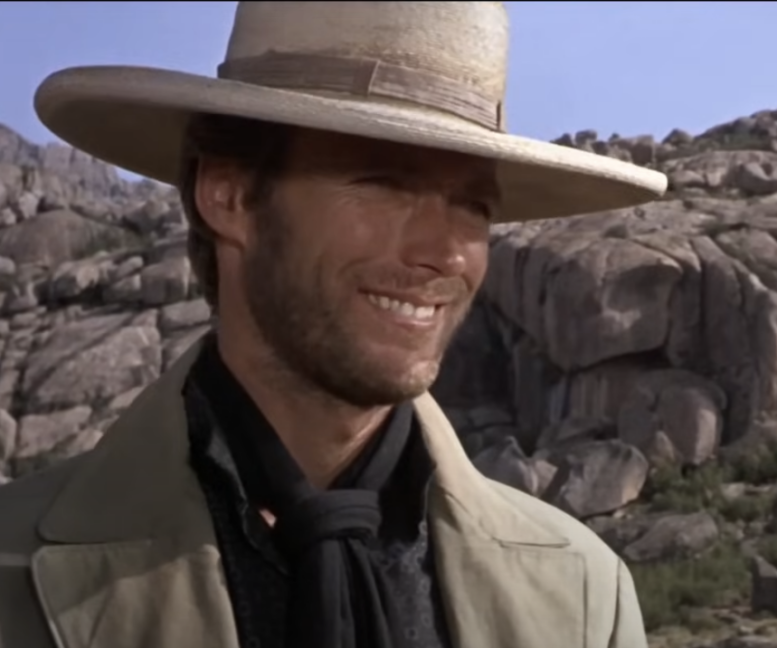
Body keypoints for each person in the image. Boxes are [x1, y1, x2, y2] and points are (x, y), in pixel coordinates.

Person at [0, 2, 667, 648]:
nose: (442, 252)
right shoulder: (16, 565)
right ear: (228, 195)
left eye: (473, 206)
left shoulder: (583, 596)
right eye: (382, 184)